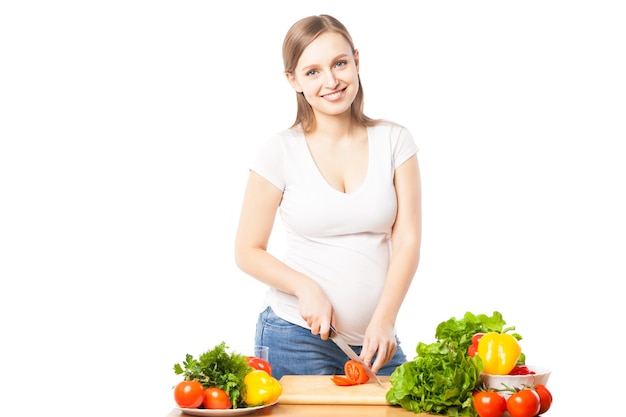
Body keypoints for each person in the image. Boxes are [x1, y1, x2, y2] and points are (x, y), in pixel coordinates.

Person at [234, 14, 421, 380]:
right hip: (294, 335)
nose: (332, 81)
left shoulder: (395, 141)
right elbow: (247, 250)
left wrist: (385, 318)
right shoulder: (279, 152)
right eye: (313, 71)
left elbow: (408, 240)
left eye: (339, 64)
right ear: (293, 80)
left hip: (376, 341)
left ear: (356, 60)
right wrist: (305, 287)